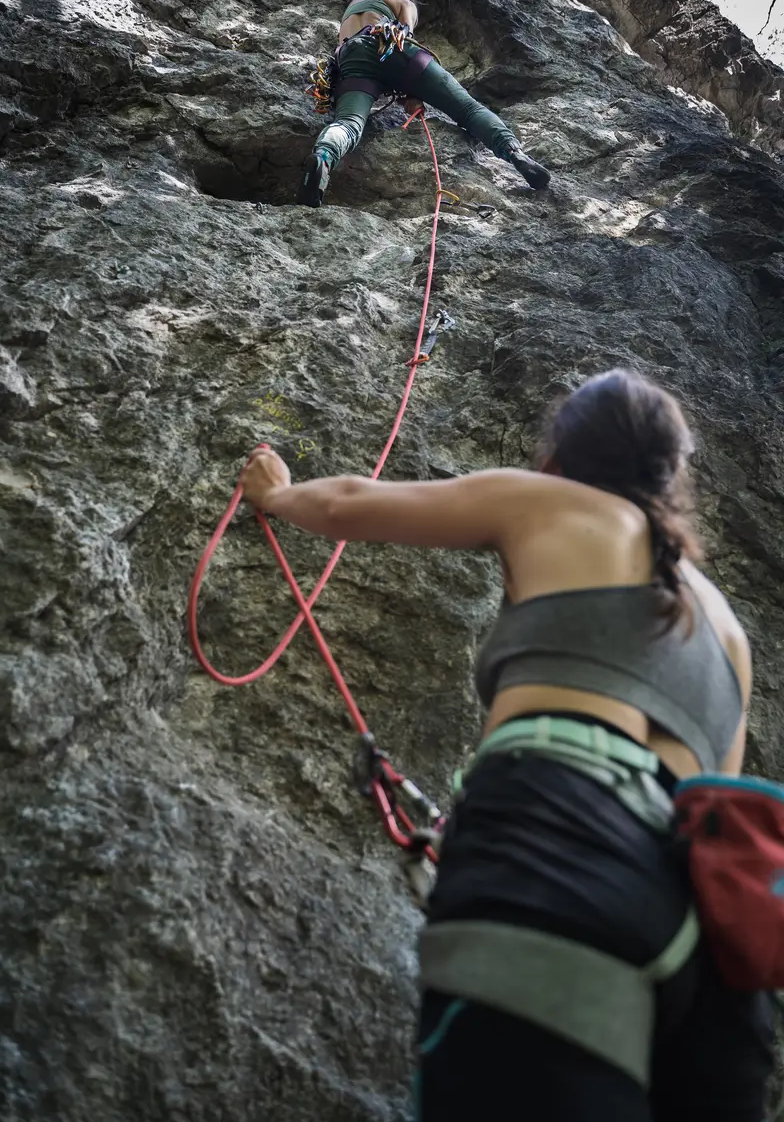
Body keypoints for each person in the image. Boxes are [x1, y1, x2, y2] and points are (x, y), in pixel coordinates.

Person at [239, 369, 774, 1120]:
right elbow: (714, 808)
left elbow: (346, 504)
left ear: (559, 451)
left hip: (557, 854)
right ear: (671, 471)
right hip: (705, 959)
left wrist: (274, 493)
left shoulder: (545, 499)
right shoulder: (727, 631)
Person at [297, 0, 551, 206]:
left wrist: (409, 93)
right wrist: (413, 88)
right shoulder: (400, 0)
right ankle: (515, 154)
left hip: (350, 57)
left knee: (349, 123)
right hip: (388, 44)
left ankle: (323, 158)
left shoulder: (356, 4)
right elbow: (404, 31)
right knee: (468, 109)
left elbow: (372, 60)